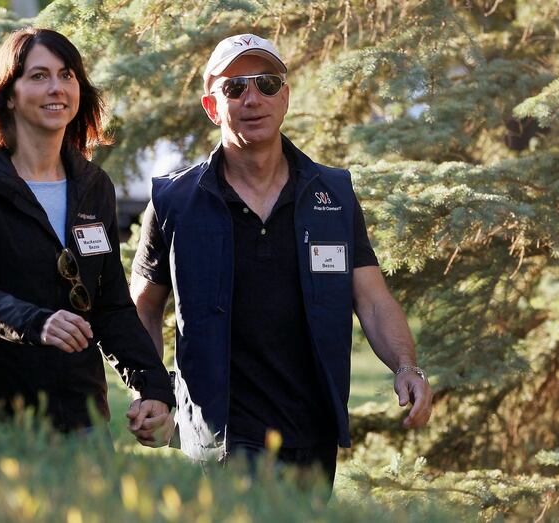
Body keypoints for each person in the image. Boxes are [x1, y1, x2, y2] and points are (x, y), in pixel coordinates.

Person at [129, 34, 432, 487]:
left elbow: (372, 300)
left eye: (267, 83)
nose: (253, 98)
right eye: (235, 87)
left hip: (312, 435)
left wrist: (407, 367)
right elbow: (144, 306)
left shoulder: (333, 195)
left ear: (285, 97)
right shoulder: (175, 201)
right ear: (212, 106)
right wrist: (149, 389)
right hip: (223, 434)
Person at [0, 28, 174, 438]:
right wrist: (38, 323)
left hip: (80, 412)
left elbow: (111, 304)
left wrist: (152, 387)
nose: (57, 88)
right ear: (8, 94)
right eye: (39, 76)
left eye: (67, 75)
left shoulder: (93, 184)